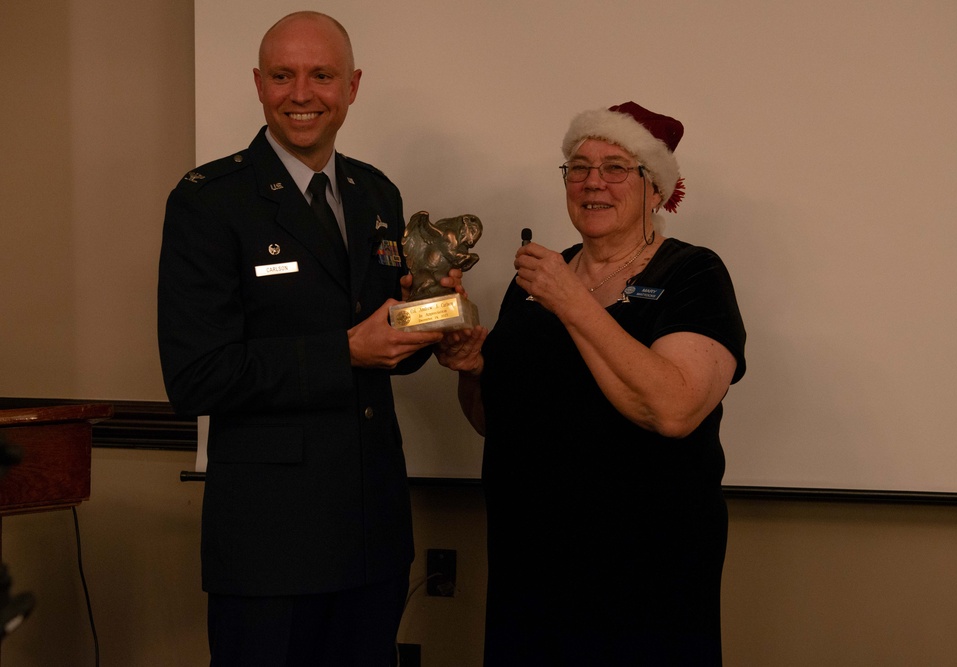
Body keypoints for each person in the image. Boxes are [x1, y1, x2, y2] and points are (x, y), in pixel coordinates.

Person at [157, 11, 463, 666]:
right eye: (282, 75)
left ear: (351, 86)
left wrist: (426, 317)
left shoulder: (375, 193)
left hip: (373, 531)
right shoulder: (209, 201)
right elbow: (195, 377)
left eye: (321, 75)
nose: (302, 94)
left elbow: (382, 345)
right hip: (271, 543)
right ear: (258, 84)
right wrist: (344, 351)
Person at [437, 101, 747, 665]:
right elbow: (492, 422)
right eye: (577, 167)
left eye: (615, 168)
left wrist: (571, 300)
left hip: (646, 571)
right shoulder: (534, 281)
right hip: (529, 564)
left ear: (655, 190)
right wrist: (473, 370)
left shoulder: (693, 275)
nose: (592, 183)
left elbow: (673, 410)